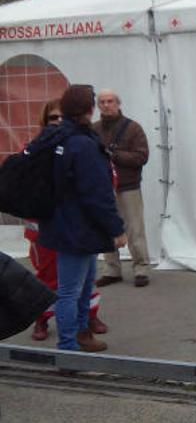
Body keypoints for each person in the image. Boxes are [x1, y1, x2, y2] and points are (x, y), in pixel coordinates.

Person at [39, 84, 127, 351]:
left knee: (83, 287)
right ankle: (68, 348)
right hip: (77, 230)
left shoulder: (57, 138)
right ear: (89, 109)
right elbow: (97, 194)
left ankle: (81, 335)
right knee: (69, 291)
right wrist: (117, 229)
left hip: (66, 225)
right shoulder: (81, 143)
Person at [25, 99, 109, 341]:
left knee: (84, 278)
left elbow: (104, 181)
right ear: (45, 121)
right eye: (53, 118)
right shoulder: (35, 148)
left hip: (78, 228)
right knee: (49, 277)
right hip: (44, 230)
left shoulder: (84, 145)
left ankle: (89, 317)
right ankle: (42, 319)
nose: (59, 122)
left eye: (63, 117)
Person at [92, 89, 151, 288]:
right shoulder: (93, 129)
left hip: (128, 186)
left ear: (118, 103)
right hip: (103, 187)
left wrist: (114, 155)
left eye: (110, 101)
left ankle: (141, 268)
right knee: (106, 228)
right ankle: (112, 270)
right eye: (102, 102)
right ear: (98, 106)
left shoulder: (133, 128)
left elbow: (142, 157)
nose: (106, 105)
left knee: (135, 230)